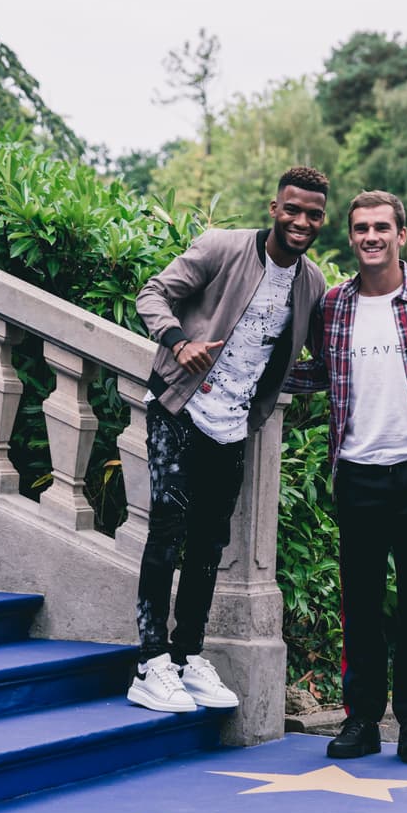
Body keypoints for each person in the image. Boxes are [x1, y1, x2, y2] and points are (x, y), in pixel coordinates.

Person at [127, 166, 329, 713]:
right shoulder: (223, 247)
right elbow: (152, 295)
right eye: (293, 209)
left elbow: (302, 356)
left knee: (210, 543)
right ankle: (149, 663)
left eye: (313, 214)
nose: (301, 221)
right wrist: (179, 341)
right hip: (179, 405)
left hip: (234, 421)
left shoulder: (311, 284)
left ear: (321, 220)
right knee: (167, 526)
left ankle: (187, 655)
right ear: (274, 207)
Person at [287, 190, 407, 764]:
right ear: (352, 237)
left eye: (381, 228)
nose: (371, 236)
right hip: (356, 471)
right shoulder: (335, 305)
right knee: (361, 604)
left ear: (402, 235)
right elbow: (316, 371)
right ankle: (361, 720)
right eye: (361, 228)